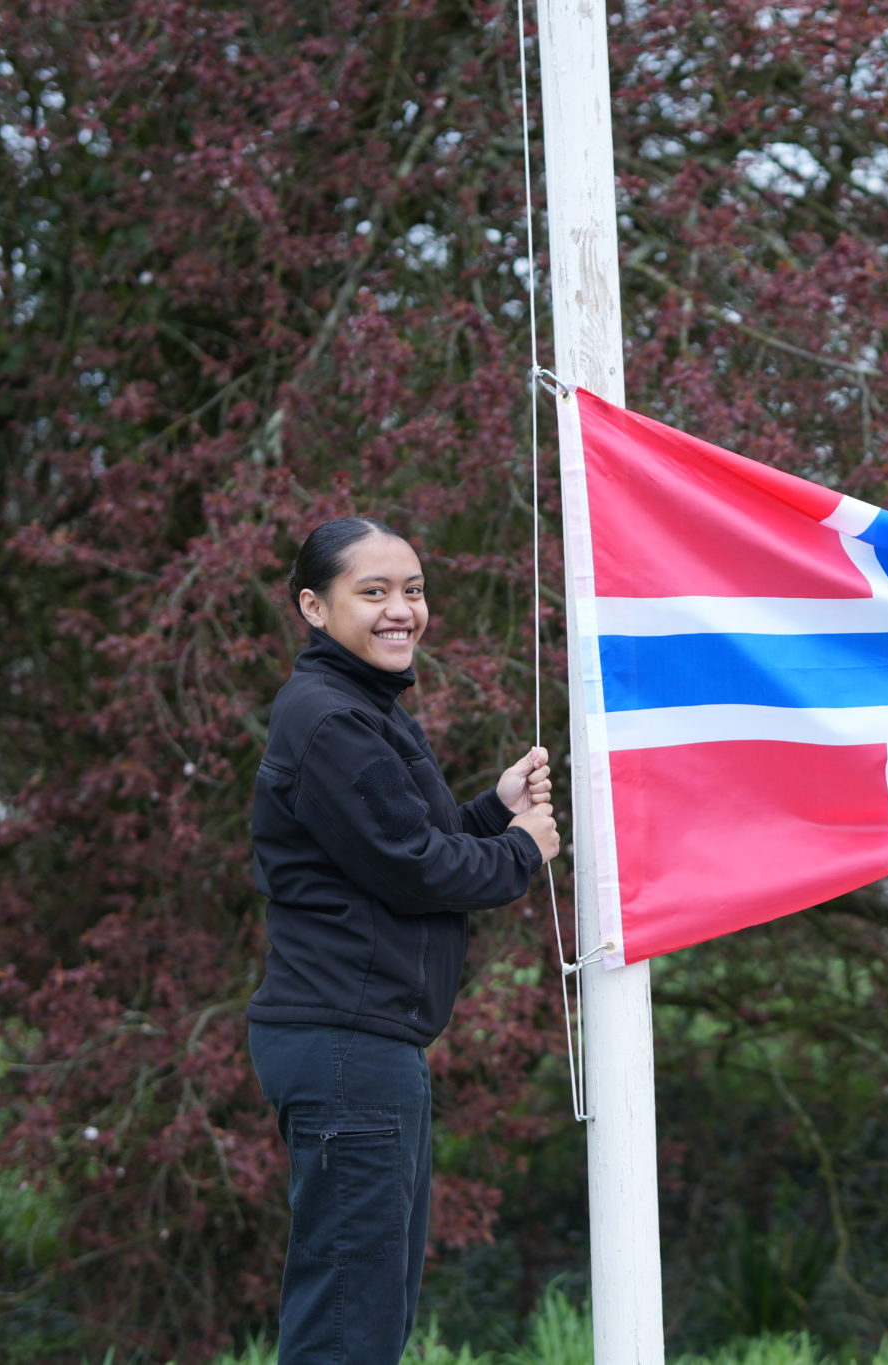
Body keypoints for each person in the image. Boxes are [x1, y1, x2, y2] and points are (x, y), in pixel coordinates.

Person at [246, 516, 563, 1363]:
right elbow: (414, 867)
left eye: (413, 590)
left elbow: (398, 847)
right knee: (348, 1324)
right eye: (374, 591)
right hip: (345, 1046)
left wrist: (493, 812)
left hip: (362, 1044)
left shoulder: (361, 709)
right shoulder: (333, 721)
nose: (402, 610)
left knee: (367, 1315)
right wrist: (521, 849)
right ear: (314, 606)